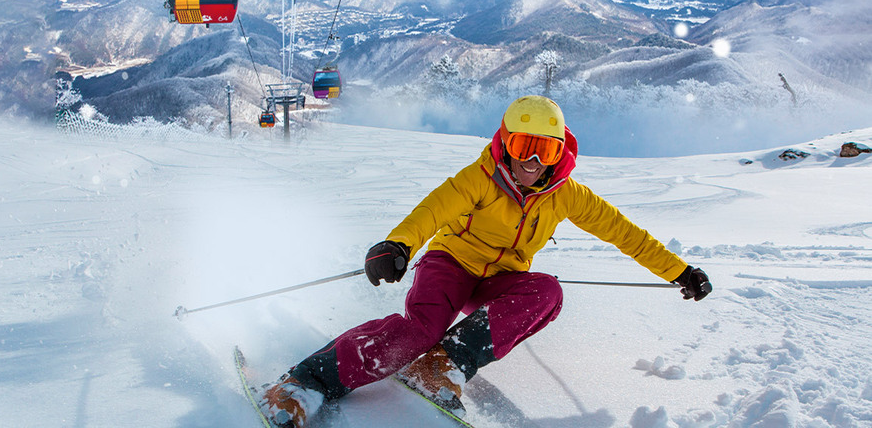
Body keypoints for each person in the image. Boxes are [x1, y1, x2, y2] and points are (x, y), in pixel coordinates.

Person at [259, 95, 712, 427]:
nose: (532, 162)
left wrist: (678, 271)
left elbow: (625, 233)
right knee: (421, 329)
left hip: (501, 279)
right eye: (522, 146)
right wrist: (399, 245)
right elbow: (434, 209)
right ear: (505, 143)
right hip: (451, 265)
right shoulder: (479, 179)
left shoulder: (568, 196)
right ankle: (306, 381)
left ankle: (442, 364)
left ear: (561, 154)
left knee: (548, 292)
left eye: (546, 150)